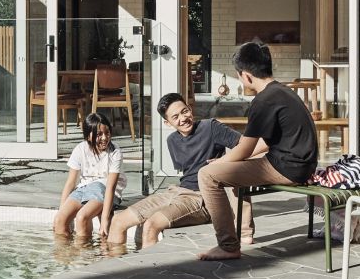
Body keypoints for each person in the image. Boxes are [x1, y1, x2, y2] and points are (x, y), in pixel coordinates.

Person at [197, 39, 318, 261]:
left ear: (245, 75)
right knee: (230, 167)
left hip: (288, 168)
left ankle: (228, 246)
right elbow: (264, 141)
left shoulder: (264, 101)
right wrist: (229, 162)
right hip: (299, 164)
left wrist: (221, 162)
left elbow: (245, 148)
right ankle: (244, 233)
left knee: (207, 175)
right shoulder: (282, 91)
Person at [105, 92, 253, 248]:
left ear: (190, 108)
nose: (183, 119)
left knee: (151, 226)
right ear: (167, 123)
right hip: (176, 191)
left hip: (200, 197)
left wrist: (223, 162)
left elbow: (245, 145)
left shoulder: (210, 127)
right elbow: (188, 171)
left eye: (184, 111)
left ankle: (152, 269)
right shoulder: (172, 141)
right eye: (175, 117)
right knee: (118, 221)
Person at [54, 112, 126, 240]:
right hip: (83, 188)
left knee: (82, 217)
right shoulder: (80, 149)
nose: (104, 138)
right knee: (60, 220)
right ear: (88, 136)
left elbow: (110, 187)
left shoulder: (115, 152)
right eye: (99, 134)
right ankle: (64, 256)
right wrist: (62, 210)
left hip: (104, 189)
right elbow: (71, 183)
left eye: (107, 133)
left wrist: (104, 218)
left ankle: (85, 256)